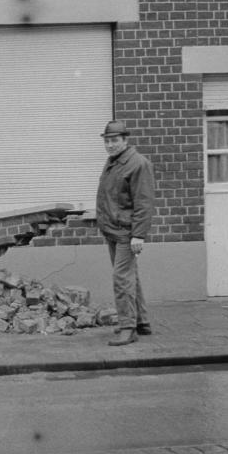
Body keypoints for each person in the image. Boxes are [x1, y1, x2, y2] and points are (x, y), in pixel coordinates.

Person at [95, 120, 156, 346]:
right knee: (131, 276)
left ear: (125, 140)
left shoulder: (138, 164)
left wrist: (138, 235)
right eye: (107, 141)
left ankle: (128, 328)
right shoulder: (113, 162)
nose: (110, 145)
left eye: (114, 141)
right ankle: (142, 322)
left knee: (121, 279)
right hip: (113, 229)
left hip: (126, 232)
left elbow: (144, 203)